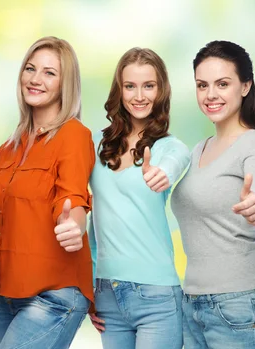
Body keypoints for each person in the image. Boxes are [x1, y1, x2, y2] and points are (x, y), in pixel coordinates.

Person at [0, 36, 94, 348]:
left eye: (49, 73)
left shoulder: (73, 135)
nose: (35, 79)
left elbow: (72, 199)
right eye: (30, 69)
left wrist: (74, 226)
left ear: (65, 84)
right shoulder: (10, 145)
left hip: (52, 295)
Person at [170, 40, 255, 349]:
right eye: (202, 85)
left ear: (245, 86)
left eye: (222, 83)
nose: (210, 95)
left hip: (239, 306)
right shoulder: (198, 150)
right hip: (191, 305)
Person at [86, 47, 191, 348]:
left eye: (149, 86)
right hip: (107, 294)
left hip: (157, 297)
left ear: (161, 91)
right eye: (130, 86)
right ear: (119, 91)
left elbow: (174, 163)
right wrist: (92, 282)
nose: (139, 95)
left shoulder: (170, 148)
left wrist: (161, 174)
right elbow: (95, 218)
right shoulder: (95, 145)